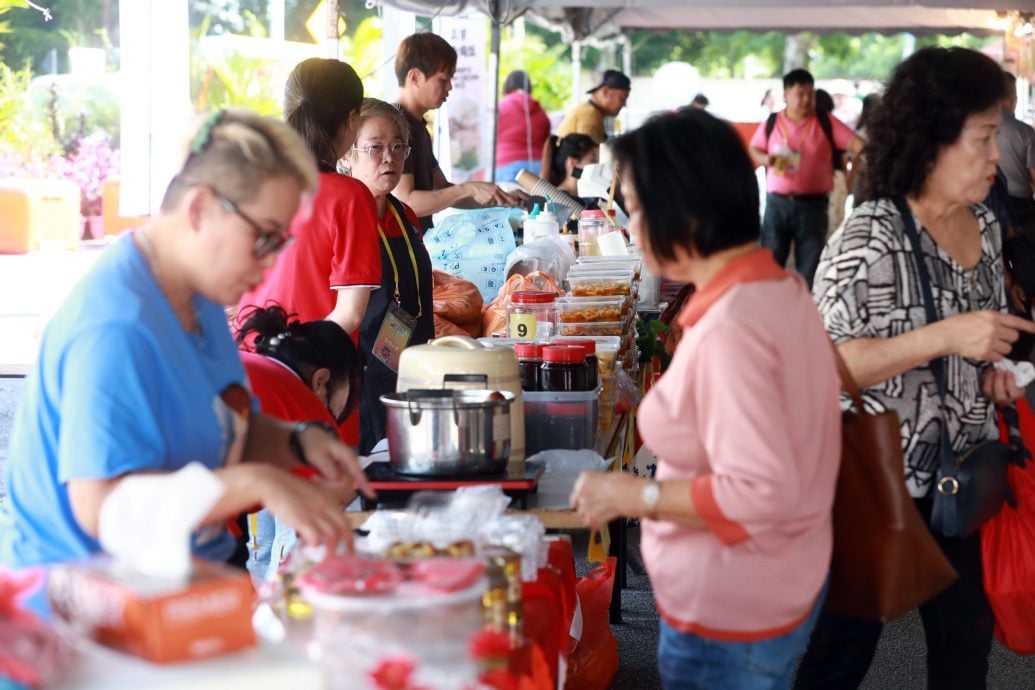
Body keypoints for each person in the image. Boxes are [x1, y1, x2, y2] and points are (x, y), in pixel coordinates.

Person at [0, 108, 373, 613]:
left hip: (181, 589)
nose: (271, 263)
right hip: (89, 623)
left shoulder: (195, 296)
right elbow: (104, 509)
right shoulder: (117, 327)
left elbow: (225, 420)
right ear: (199, 209)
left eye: (281, 242)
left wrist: (301, 442)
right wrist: (258, 481)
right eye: (263, 237)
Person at [569, 108, 841, 689]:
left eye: (638, 206)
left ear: (687, 214)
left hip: (732, 604)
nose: (629, 221)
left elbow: (758, 489)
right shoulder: (775, 287)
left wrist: (631, 492)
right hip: (774, 581)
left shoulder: (734, 325)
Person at [799, 47, 1035, 690]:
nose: (997, 155)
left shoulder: (986, 225)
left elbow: (979, 337)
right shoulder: (869, 235)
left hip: (967, 473)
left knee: (964, 659)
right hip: (878, 482)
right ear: (932, 138)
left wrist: (994, 370)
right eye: (985, 137)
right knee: (839, 656)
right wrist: (945, 336)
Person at [236, 58, 380, 335]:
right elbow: (349, 313)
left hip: (248, 358)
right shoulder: (350, 197)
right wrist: (293, 355)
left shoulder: (254, 182)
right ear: (352, 120)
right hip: (312, 369)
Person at [235, 305, 364, 580]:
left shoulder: (247, 364)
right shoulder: (306, 409)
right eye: (340, 405)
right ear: (322, 380)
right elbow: (331, 506)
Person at [343, 98, 435, 455]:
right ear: (347, 155)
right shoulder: (346, 219)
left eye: (398, 147)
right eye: (375, 148)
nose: (390, 158)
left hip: (413, 372)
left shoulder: (405, 215)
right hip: (364, 379)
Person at [392, 32, 523, 234]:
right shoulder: (394, 125)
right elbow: (406, 201)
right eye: (444, 79)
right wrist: (468, 188)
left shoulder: (418, 126)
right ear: (415, 77)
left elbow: (442, 189)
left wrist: (499, 197)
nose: (450, 87)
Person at [749, 68, 865, 288]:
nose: (806, 100)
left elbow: (859, 146)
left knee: (810, 267)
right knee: (770, 264)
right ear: (786, 95)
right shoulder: (773, 122)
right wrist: (769, 160)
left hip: (813, 206)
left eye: (810, 95)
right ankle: (769, 312)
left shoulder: (825, 121)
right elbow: (753, 149)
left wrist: (851, 175)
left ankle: (804, 315)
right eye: (800, 94)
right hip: (777, 204)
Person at [997, 71, 1035, 238]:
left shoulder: (974, 127)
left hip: (990, 202)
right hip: (1020, 205)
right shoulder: (1025, 132)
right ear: (1012, 99)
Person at [495, 70, 551, 183]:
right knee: (537, 201)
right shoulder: (541, 111)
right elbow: (547, 142)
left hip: (506, 165)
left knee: (508, 200)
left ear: (507, 86)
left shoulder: (500, 107)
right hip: (538, 166)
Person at [556, 69, 631, 145]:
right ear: (605, 92)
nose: (624, 105)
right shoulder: (590, 115)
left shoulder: (586, 110)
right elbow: (588, 154)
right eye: (622, 98)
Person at [541, 133, 600, 198]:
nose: (598, 164)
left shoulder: (587, 196)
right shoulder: (561, 199)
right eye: (593, 160)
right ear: (572, 162)